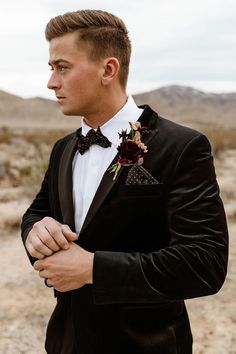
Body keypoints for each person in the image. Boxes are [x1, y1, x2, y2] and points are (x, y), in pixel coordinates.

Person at [21, 9, 229, 354]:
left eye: (62, 67)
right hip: (66, 342)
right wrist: (36, 230)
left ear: (108, 69)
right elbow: (37, 213)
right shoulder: (64, 148)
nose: (51, 82)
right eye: (51, 68)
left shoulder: (181, 146)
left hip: (146, 344)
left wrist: (93, 269)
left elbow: (204, 263)